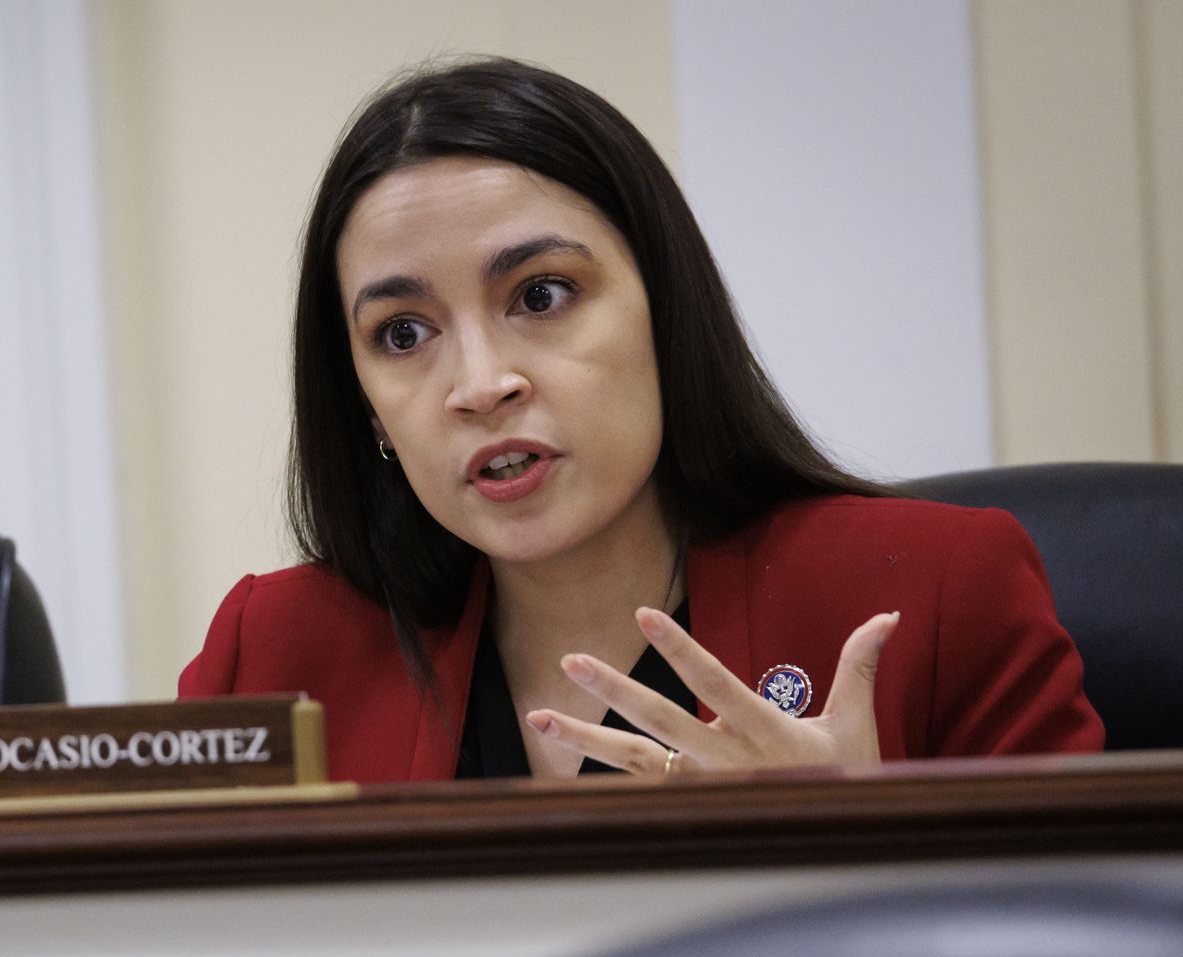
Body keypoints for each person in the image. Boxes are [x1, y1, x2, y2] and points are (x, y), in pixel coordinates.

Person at [178, 57, 1103, 783]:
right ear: (364, 402)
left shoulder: (931, 596)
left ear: (665, 309)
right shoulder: (276, 654)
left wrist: (852, 844)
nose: (480, 383)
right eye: (403, 331)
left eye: (541, 294)